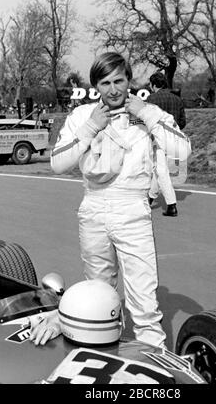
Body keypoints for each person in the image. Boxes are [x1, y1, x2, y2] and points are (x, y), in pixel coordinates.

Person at [48, 52, 191, 349]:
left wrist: (148, 114)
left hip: (132, 209)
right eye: (104, 83)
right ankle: (99, 365)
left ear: (128, 80)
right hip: (93, 207)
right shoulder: (81, 116)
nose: (113, 90)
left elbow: (182, 151)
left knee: (144, 304)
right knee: (98, 297)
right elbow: (58, 164)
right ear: (95, 86)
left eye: (119, 81)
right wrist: (90, 127)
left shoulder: (146, 112)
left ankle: (157, 374)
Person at [147, 72, 186, 217]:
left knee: (161, 172)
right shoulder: (177, 99)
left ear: (153, 85)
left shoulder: (151, 99)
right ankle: (149, 199)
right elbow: (182, 122)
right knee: (159, 170)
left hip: (158, 139)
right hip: (174, 139)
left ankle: (171, 205)